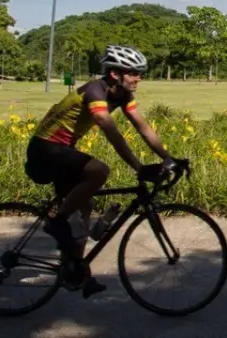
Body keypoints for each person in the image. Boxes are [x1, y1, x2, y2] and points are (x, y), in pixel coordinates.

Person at [24, 44, 177, 295]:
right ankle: (56, 222)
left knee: (84, 208)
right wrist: (138, 166)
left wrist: (169, 157)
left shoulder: (122, 95)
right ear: (115, 74)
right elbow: (109, 129)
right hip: (46, 150)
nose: (139, 78)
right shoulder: (94, 91)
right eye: (134, 73)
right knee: (99, 171)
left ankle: (75, 273)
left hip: (63, 152)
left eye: (140, 73)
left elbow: (143, 127)